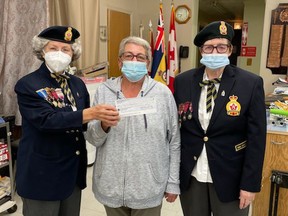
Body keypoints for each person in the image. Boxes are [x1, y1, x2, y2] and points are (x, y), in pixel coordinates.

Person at [14, 26, 120, 216]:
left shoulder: (77, 83)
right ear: (42, 51)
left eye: (66, 50)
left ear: (73, 54)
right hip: (42, 176)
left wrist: (103, 123)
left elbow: (84, 126)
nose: (59, 54)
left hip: (72, 174)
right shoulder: (28, 84)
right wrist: (91, 113)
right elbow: (46, 121)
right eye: (53, 48)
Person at [174, 21, 267, 216]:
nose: (214, 52)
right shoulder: (183, 81)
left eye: (221, 47)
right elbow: (176, 132)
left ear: (230, 50)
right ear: (201, 51)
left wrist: (250, 185)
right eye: (209, 47)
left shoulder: (249, 83)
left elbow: (257, 140)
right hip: (192, 176)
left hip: (231, 179)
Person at [85, 36, 180, 216]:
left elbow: (174, 141)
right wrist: (103, 125)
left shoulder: (163, 94)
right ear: (120, 62)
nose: (134, 61)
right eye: (129, 56)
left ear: (148, 63)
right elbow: (92, 139)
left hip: (149, 188)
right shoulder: (104, 91)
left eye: (140, 57)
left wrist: (173, 182)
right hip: (110, 186)